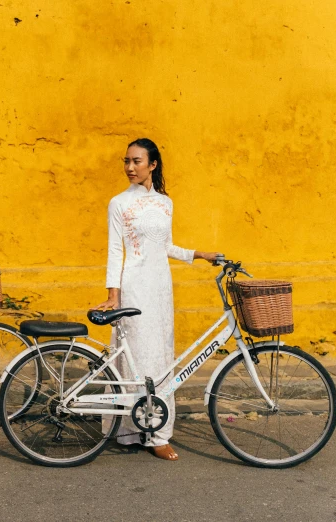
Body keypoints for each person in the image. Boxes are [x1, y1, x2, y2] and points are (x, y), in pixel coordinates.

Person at [92, 138, 218, 461]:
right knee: (137, 357)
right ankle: (133, 430)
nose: (129, 167)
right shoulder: (118, 203)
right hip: (134, 286)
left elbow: (166, 246)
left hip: (161, 288)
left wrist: (198, 254)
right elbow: (115, 251)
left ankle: (158, 433)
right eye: (126, 161)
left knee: (161, 358)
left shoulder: (165, 203)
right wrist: (112, 294)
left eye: (136, 161)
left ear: (153, 164)